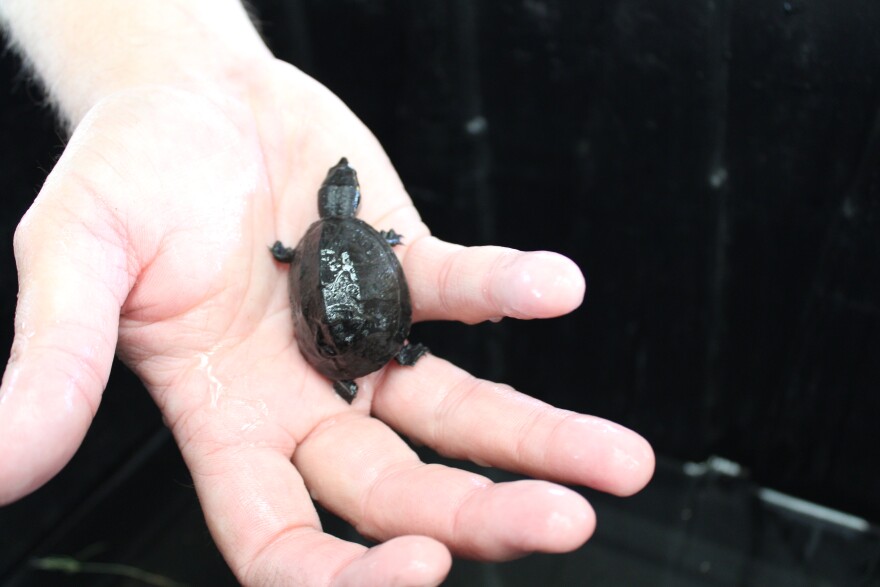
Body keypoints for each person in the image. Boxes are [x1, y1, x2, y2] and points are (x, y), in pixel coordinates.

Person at [0, 1, 654, 585]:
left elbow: (292, 258)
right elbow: (351, 259)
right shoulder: (361, 232)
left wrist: (192, 65)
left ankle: (371, 362)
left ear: (329, 199)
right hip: (359, 331)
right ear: (352, 199)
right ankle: (389, 354)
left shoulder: (309, 237)